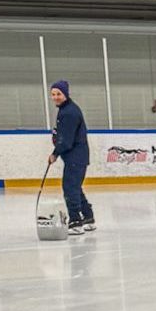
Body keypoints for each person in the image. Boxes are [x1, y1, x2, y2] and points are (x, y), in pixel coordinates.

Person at [48, 81, 95, 234]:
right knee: (75, 187)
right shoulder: (65, 110)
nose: (55, 97)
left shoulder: (69, 112)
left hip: (76, 157)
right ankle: (88, 217)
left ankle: (75, 222)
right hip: (75, 157)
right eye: (53, 94)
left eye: (58, 94)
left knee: (69, 188)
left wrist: (55, 153)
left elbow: (66, 140)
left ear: (65, 94)